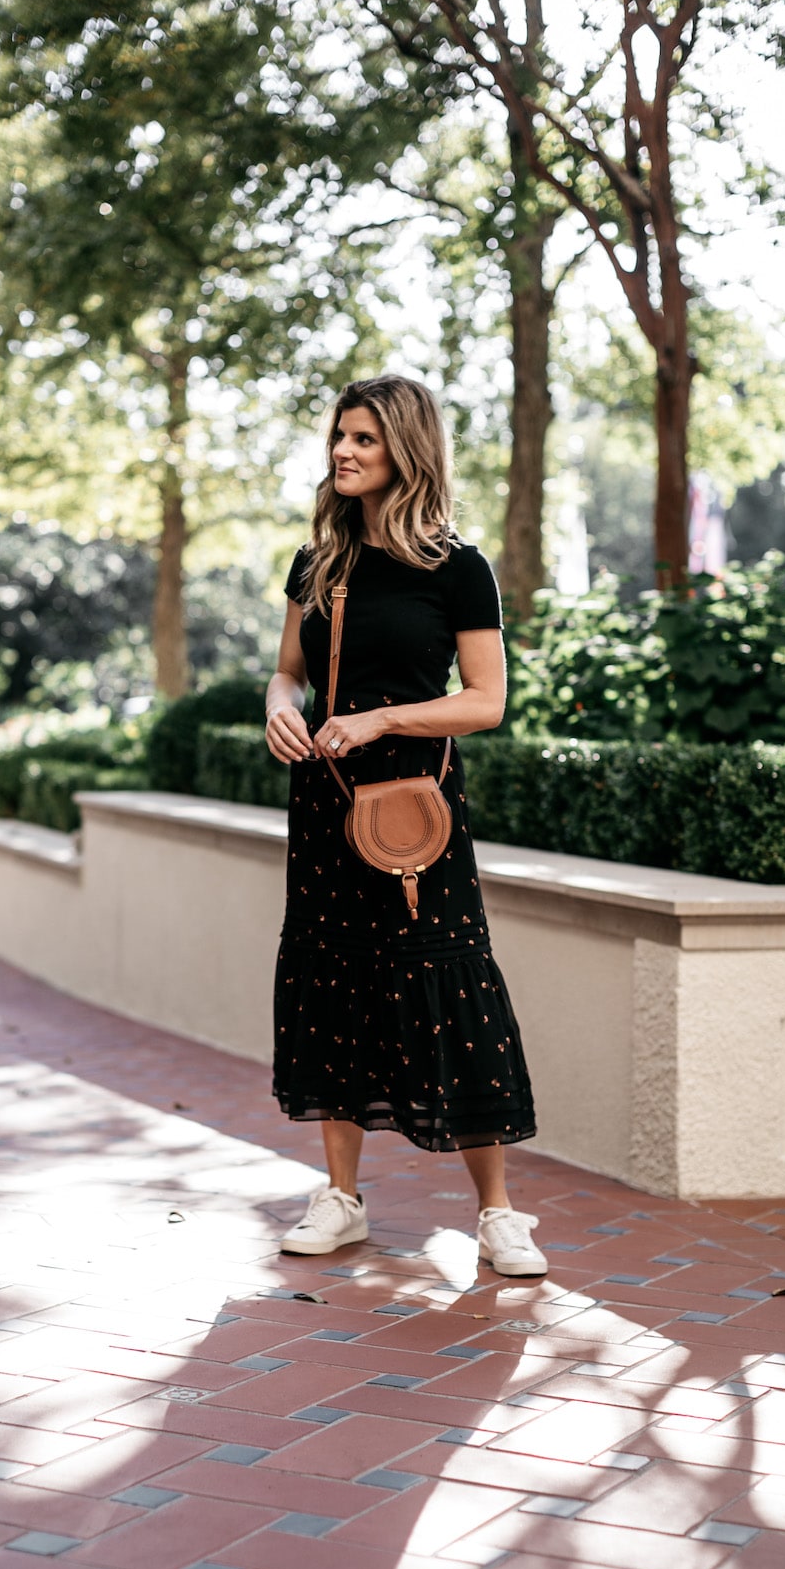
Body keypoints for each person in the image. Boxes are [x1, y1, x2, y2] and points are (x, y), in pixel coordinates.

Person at [264, 375, 546, 1277]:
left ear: (406, 453)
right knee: (336, 984)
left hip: (416, 815)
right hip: (325, 805)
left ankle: (498, 1214)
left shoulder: (457, 568)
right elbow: (287, 674)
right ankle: (342, 1198)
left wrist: (383, 719)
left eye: (365, 441)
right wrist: (277, 708)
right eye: (340, 437)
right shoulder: (317, 564)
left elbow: (487, 702)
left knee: (448, 992)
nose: (344, 452)